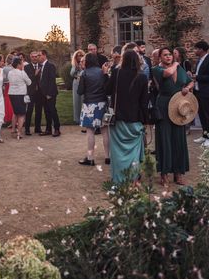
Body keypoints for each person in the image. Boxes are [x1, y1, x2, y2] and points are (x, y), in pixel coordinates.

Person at [105, 50, 149, 184]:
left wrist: (106, 75)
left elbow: (107, 90)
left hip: (118, 118)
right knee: (133, 152)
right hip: (134, 118)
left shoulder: (117, 74)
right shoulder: (142, 77)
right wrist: (145, 120)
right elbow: (144, 102)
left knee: (117, 152)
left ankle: (118, 178)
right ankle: (133, 178)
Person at [152, 47, 194, 187]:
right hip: (163, 106)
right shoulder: (156, 69)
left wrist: (187, 88)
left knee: (178, 139)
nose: (169, 57)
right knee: (164, 139)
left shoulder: (180, 69)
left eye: (170, 54)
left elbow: (190, 81)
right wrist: (176, 62)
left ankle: (178, 173)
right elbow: (168, 73)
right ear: (160, 58)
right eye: (165, 55)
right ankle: (164, 174)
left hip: (179, 106)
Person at [77, 53, 108, 166]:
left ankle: (90, 158)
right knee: (105, 130)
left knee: (90, 131)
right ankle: (107, 157)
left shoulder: (84, 73)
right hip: (102, 104)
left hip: (89, 104)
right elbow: (107, 87)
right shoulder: (102, 72)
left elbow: (80, 91)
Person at [190, 40, 209, 147]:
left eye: (196, 49)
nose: (194, 51)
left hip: (207, 92)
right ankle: (205, 135)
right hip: (198, 91)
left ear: (201, 49)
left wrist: (197, 77)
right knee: (201, 114)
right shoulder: (199, 60)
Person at [37, 50, 61, 137]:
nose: (37, 57)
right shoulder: (40, 67)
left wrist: (49, 94)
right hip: (42, 94)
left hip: (50, 93)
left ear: (44, 55)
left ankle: (57, 129)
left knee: (52, 111)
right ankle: (48, 129)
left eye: (39, 55)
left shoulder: (50, 66)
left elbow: (51, 81)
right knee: (46, 111)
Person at [7, 57, 32, 139]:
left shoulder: (10, 73)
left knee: (15, 112)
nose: (23, 65)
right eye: (22, 63)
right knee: (21, 114)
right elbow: (29, 82)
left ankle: (13, 129)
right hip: (20, 94)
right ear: (18, 64)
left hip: (11, 94)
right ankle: (19, 133)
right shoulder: (22, 73)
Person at [24, 51, 42, 135]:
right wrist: (34, 74)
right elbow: (26, 79)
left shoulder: (41, 66)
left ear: (38, 57)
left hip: (40, 92)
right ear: (30, 58)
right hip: (30, 92)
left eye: (36, 56)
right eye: (33, 57)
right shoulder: (26, 67)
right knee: (29, 111)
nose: (34, 58)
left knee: (39, 110)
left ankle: (37, 128)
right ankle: (27, 129)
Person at [70, 50, 85, 129]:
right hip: (76, 82)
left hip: (83, 82)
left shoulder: (85, 63)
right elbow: (72, 74)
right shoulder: (74, 64)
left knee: (83, 100)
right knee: (76, 100)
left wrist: (82, 67)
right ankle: (77, 119)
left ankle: (83, 118)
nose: (79, 57)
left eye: (81, 55)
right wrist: (76, 67)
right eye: (78, 55)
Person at [2, 53, 15, 126]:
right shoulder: (15, 68)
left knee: (7, 102)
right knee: (12, 102)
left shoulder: (5, 68)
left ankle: (8, 119)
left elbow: (4, 79)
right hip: (14, 85)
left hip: (7, 85)